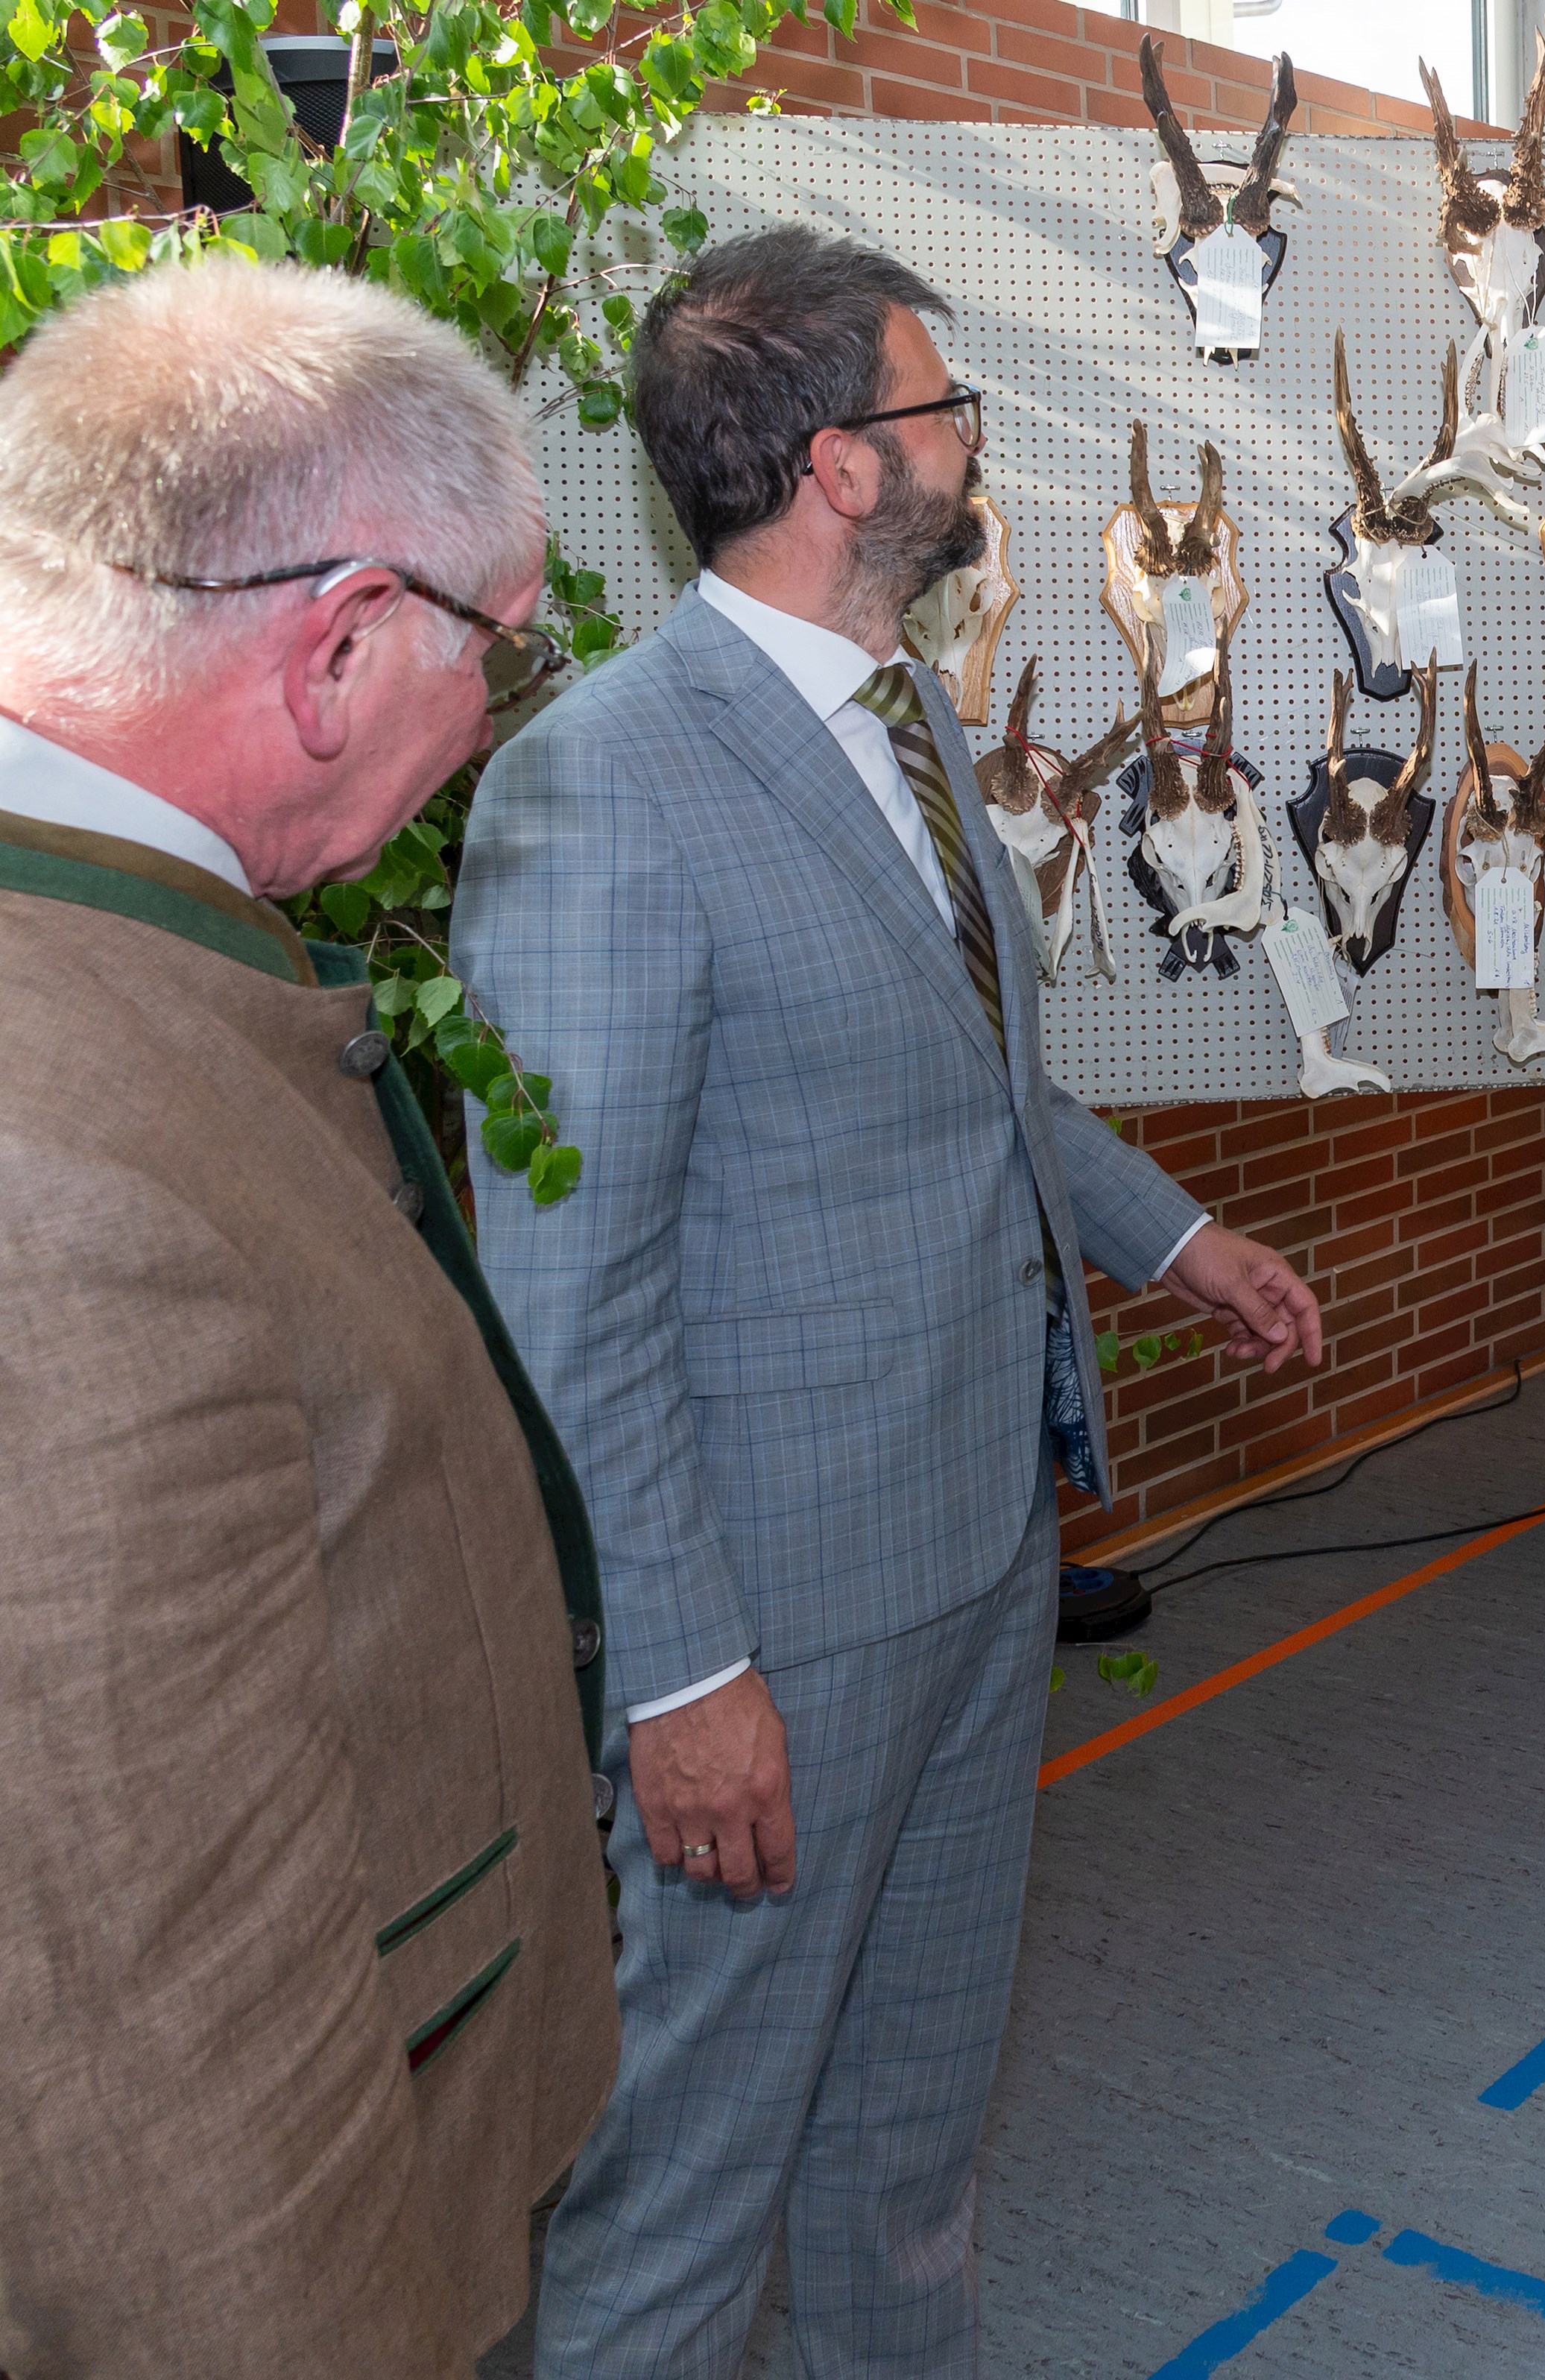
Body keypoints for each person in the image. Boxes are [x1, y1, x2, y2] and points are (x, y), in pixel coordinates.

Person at [453, 226, 1327, 2378]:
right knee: (681, 2209)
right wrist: (684, 1674)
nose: (973, 448)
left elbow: (974, 1075)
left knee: (903, 2174)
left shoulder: (912, 712)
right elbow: (571, 1286)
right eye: (946, 412)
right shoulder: (606, 781)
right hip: (776, 1633)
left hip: (976, 1555)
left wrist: (1170, 1237)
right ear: (843, 465)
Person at [0, 260, 617, 2376]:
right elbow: (161, 2046)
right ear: (345, 643)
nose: (492, 728)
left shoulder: (142, 961)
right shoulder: (53, 1179)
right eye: (503, 663)